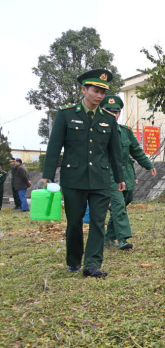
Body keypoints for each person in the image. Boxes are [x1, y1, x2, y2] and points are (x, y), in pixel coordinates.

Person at [41, 69, 125, 278]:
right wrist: (47, 174)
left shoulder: (108, 118)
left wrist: (120, 177)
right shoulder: (67, 113)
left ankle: (92, 264)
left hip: (100, 178)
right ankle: (73, 261)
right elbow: (54, 146)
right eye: (95, 91)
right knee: (75, 221)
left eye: (102, 93)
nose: (99, 96)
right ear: (84, 89)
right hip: (73, 178)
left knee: (98, 221)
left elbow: (114, 151)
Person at [100, 95, 156, 251]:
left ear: (119, 114)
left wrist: (148, 165)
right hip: (109, 174)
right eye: (109, 111)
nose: (113, 114)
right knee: (118, 206)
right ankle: (123, 239)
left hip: (127, 173)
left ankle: (108, 237)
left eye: (116, 112)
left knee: (126, 201)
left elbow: (136, 150)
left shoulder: (125, 132)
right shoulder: (98, 132)